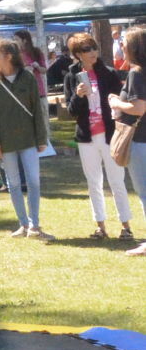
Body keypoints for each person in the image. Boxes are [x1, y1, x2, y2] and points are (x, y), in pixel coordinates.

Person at [65, 32, 134, 239]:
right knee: (93, 182)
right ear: (78, 54)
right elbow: (71, 111)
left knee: (117, 180)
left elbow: (119, 103)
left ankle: (126, 226)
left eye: (94, 48)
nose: (93, 52)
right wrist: (78, 96)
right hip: (87, 136)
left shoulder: (108, 73)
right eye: (86, 49)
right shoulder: (71, 76)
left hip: (109, 134)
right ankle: (100, 227)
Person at [0, 37, 53, 239]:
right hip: (5, 142)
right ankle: (23, 223)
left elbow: (37, 111)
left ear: (9, 56)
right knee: (13, 184)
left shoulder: (28, 78)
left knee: (33, 181)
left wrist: (41, 138)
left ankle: (35, 225)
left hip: (29, 139)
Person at [111, 25, 146, 255]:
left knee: (144, 192)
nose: (120, 44)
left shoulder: (136, 72)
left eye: (124, 41)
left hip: (140, 140)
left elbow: (139, 108)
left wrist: (116, 102)